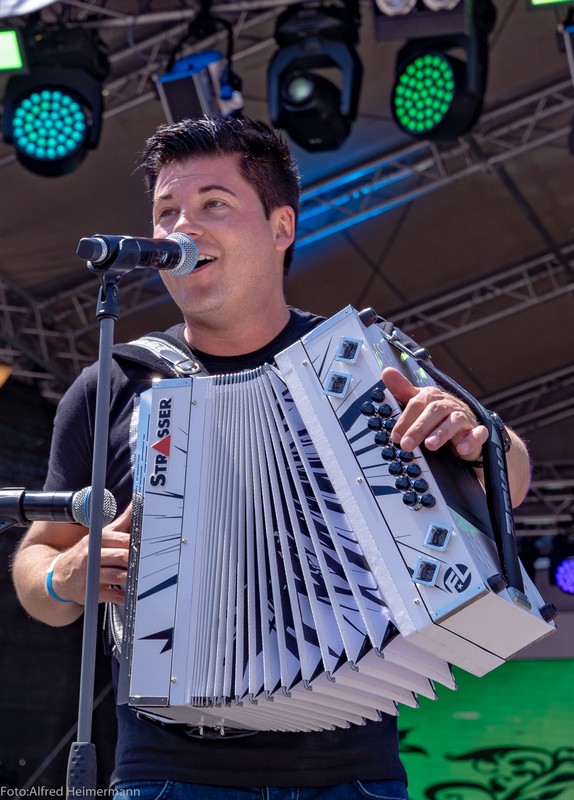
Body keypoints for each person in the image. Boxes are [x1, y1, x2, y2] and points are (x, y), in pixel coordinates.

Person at [12, 116, 531, 800]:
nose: (181, 228)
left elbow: (511, 479)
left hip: (351, 770)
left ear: (281, 227)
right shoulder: (113, 383)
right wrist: (64, 577)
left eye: (213, 205)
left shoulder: (360, 362)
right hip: (168, 773)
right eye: (166, 212)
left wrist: (478, 438)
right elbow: (36, 565)